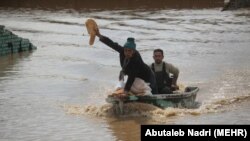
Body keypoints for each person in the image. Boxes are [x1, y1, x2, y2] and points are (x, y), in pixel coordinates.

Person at [95, 29, 158, 95]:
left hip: (147, 77)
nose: (127, 53)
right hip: (134, 76)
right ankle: (122, 90)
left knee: (152, 92)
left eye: (130, 51)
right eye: (126, 50)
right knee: (122, 77)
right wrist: (99, 35)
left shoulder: (136, 58)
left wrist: (125, 92)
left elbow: (131, 77)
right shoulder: (122, 51)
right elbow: (112, 44)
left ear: (133, 51)